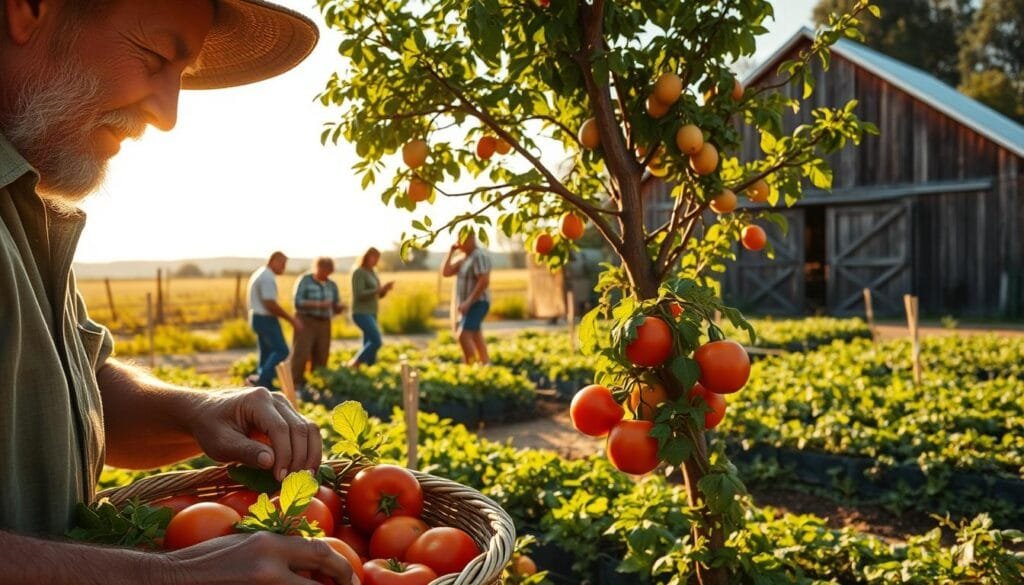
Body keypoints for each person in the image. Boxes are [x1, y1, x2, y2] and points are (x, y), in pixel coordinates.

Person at [0, 1, 355, 583]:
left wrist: (196, 412)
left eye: (181, 77)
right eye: (155, 55)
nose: (168, 116)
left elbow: (73, 391)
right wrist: (166, 577)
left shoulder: (24, 202)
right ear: (31, 9)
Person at [247, 251, 303, 389]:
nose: (284, 267)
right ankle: (264, 380)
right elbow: (269, 303)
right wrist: (291, 319)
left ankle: (261, 381)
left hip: (256, 317)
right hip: (265, 318)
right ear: (273, 261)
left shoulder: (261, 273)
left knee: (266, 351)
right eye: (282, 264)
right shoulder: (267, 278)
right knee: (281, 350)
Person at [291, 256, 345, 387]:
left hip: (325, 322)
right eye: (324, 270)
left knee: (322, 353)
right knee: (301, 353)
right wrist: (319, 304)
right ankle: (295, 382)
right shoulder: (305, 280)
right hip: (306, 320)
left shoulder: (332, 285)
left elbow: (335, 304)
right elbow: (298, 302)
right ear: (318, 268)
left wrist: (338, 308)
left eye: (329, 271)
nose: (327, 274)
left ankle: (316, 381)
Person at [441, 233, 492, 364]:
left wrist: (468, 302)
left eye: (461, 239)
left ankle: (471, 369)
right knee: (475, 335)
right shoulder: (464, 258)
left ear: (471, 239)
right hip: (467, 304)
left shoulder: (479, 256)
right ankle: (485, 364)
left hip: (478, 302)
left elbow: (484, 281)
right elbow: (446, 272)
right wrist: (451, 252)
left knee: (463, 336)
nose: (459, 243)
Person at [348, 247, 394, 367]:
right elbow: (359, 294)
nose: (376, 260)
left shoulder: (373, 272)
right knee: (376, 341)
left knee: (368, 342)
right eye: (373, 257)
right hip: (361, 312)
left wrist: (384, 290)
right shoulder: (359, 272)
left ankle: (370, 367)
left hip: (372, 311)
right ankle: (355, 363)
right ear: (366, 257)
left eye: (378, 258)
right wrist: (378, 289)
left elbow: (377, 295)